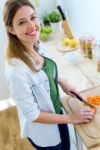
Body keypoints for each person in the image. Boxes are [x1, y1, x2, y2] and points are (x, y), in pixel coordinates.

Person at [3, 0, 94, 150]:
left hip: (58, 113)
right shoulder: (16, 70)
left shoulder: (35, 43)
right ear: (11, 29)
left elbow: (45, 71)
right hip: (44, 131)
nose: (32, 26)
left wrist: (61, 81)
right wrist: (71, 118)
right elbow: (33, 114)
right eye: (21, 22)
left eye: (33, 17)